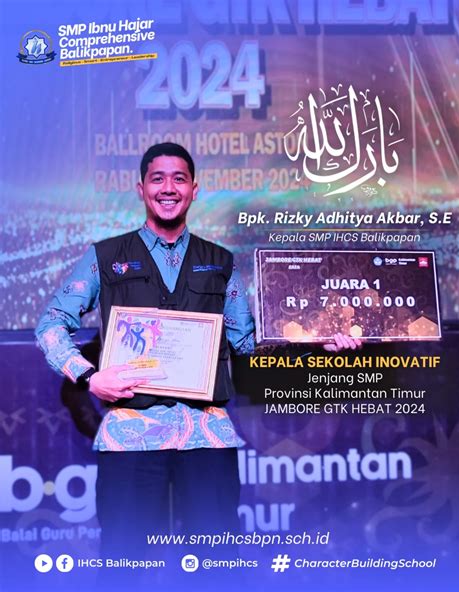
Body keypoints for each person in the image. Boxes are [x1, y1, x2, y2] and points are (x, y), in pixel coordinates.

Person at [36, 142, 361, 561]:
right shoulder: (105, 256)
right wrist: (89, 376)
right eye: (158, 179)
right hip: (131, 437)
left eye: (179, 179)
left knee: (218, 563)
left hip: (206, 435)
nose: (168, 188)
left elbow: (246, 343)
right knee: (123, 563)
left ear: (194, 189)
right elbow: (51, 325)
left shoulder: (220, 261)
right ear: (141, 189)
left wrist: (317, 343)